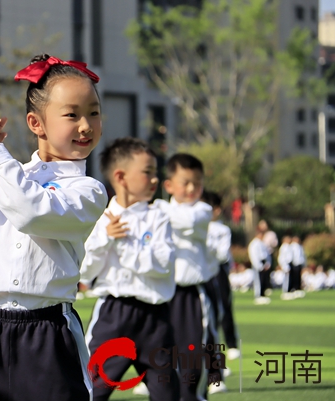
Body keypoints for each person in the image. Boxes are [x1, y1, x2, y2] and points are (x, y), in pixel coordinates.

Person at [0, 54, 107, 401]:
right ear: (36, 123)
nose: (86, 125)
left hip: (49, 334)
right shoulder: (8, 172)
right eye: (72, 114)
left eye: (94, 112)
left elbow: (31, 213)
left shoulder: (88, 189)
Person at [80, 138, 178, 401]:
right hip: (115, 316)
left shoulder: (159, 216)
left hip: (156, 319)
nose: (155, 179)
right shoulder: (99, 221)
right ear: (120, 176)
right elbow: (85, 273)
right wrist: (105, 239)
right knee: (91, 390)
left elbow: (162, 264)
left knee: (168, 393)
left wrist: (123, 245)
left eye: (155, 172)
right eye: (148, 172)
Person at [155, 153, 215, 401]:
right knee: (162, 354)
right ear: (168, 185)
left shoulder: (202, 210)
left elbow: (187, 221)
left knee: (191, 356)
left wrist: (156, 213)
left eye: (197, 182)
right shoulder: (158, 209)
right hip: (162, 293)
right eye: (185, 182)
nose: (192, 188)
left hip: (192, 294)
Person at [202, 191, 240, 364]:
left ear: (216, 210)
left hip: (218, 271)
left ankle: (231, 345)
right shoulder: (197, 226)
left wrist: (207, 252)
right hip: (200, 271)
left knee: (223, 307)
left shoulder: (222, 229)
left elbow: (223, 254)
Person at [248, 228, 272, 305]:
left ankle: (262, 294)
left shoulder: (262, 243)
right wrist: (259, 265)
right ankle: (258, 295)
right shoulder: (254, 244)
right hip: (258, 264)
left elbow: (266, 254)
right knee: (258, 280)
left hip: (263, 262)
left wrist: (267, 263)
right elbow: (254, 256)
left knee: (263, 280)